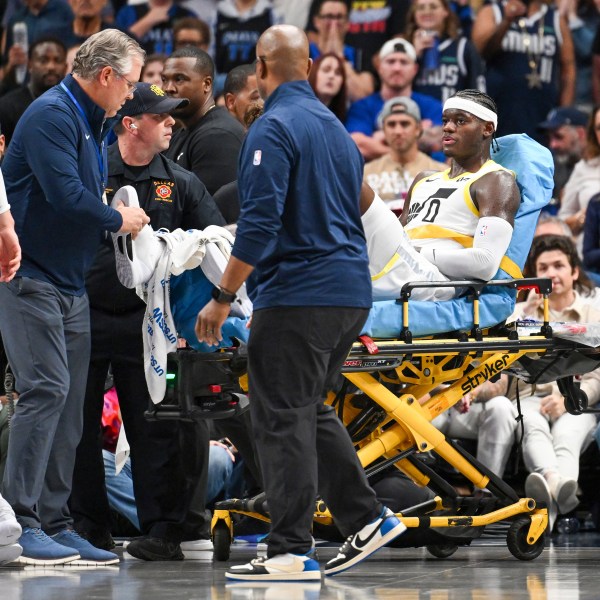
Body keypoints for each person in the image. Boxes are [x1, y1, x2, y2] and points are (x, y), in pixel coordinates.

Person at [196, 24, 406, 581]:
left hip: (299, 295)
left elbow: (259, 225)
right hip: (348, 293)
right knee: (305, 408)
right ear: (309, 66)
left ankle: (290, 551)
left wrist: (221, 297)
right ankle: (366, 520)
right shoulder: (337, 130)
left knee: (280, 418)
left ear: (261, 69)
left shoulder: (273, 127)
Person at [0, 29, 148, 567]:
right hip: (28, 277)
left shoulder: (95, 121)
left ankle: (57, 523)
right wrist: (119, 219)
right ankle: (20, 524)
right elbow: (66, 197)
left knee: (71, 405)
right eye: (129, 82)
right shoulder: (51, 116)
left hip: (70, 283)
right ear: (106, 76)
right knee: (45, 392)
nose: (133, 93)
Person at [70, 81, 226, 561]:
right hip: (86, 313)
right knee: (76, 424)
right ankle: (86, 528)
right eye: (160, 117)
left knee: (154, 424)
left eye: (172, 116)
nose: (171, 123)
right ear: (130, 124)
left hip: (149, 322)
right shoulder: (88, 171)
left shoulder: (180, 181)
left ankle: (163, 531)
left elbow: (218, 240)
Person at [361, 89, 521, 302]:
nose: (447, 127)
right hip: (398, 264)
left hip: (434, 280)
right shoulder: (424, 178)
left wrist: (417, 252)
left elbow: (485, 263)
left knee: (350, 180)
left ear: (487, 128)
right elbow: (397, 235)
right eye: (445, 120)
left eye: (460, 121)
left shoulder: (495, 180)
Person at [510, 234, 600, 530]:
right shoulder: (519, 316)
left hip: (577, 401)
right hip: (531, 398)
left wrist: (571, 399)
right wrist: (524, 309)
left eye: (559, 265)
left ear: (574, 271)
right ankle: (558, 484)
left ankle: (550, 495)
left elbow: (598, 375)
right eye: (543, 267)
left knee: (568, 431)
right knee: (532, 426)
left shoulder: (594, 312)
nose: (551, 274)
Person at [472, 0, 576, 142]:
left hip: (542, 115)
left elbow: (568, 70)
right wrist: (506, 21)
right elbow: (479, 51)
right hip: (499, 112)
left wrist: (563, 114)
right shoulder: (492, 11)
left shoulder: (556, 19)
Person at [162, 47, 246, 196]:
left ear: (206, 84)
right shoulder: (184, 132)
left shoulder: (217, 136)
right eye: (164, 80)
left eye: (179, 79)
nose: (168, 88)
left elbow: (211, 213)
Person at [345, 38, 443, 161]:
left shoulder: (432, 106)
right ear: (379, 67)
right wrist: (418, 135)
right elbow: (356, 145)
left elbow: (439, 140)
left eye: (404, 62)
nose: (397, 68)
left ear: (415, 69)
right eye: (391, 62)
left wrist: (382, 137)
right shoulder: (362, 107)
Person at [364, 96, 447, 213]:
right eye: (391, 124)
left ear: (418, 129)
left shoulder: (441, 172)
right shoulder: (366, 174)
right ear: (383, 129)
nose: (398, 131)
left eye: (405, 124)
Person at [403, 0, 486, 103]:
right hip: (414, 116)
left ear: (445, 11)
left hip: (451, 116)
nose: (427, 12)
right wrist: (414, 57)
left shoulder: (462, 47)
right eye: (421, 8)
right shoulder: (403, 46)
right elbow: (394, 87)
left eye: (433, 7)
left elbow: (478, 90)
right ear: (414, 14)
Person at [0, 36, 67, 147]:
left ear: (65, 67)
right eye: (43, 60)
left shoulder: (75, 105)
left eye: (57, 60)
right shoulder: (7, 106)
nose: (51, 66)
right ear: (29, 65)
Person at [308, 0, 375, 102]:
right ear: (317, 21)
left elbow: (362, 97)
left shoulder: (359, 56)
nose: (334, 23)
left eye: (339, 17)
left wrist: (339, 58)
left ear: (348, 23)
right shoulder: (305, 54)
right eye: (328, 17)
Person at [558, 105, 600, 247]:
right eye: (599, 128)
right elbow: (561, 222)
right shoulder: (583, 168)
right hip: (590, 259)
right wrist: (581, 218)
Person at [537, 106, 588, 204]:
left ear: (580, 134)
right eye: (549, 138)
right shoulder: (554, 166)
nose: (553, 145)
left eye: (558, 137)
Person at [115, 0, 197, 55]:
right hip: (139, 72)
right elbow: (117, 47)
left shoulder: (188, 15)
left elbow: (196, 49)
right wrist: (148, 20)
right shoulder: (128, 12)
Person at [307, 51, 347, 122]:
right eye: (326, 70)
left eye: (337, 73)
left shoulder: (344, 118)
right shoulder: (299, 108)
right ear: (313, 73)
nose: (331, 76)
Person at [223, 63, 263, 129]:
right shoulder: (219, 135)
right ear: (231, 101)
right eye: (256, 97)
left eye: (266, 97)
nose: (263, 103)